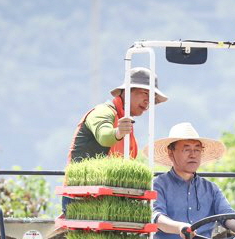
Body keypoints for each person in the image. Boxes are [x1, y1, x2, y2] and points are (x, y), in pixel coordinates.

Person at [64, 67, 168, 212]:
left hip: (110, 198)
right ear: (126, 92)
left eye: (151, 98)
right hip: (82, 195)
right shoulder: (103, 112)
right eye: (145, 93)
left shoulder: (127, 123)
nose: (147, 101)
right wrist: (118, 132)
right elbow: (105, 137)